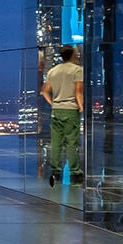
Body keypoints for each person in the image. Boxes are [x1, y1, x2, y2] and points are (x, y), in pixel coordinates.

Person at [40, 45, 83, 185]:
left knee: (56, 142)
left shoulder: (53, 71)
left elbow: (44, 91)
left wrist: (53, 103)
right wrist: (81, 107)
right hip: (70, 109)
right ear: (73, 55)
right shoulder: (77, 70)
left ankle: (55, 171)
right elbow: (78, 92)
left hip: (56, 110)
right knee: (71, 142)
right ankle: (75, 172)